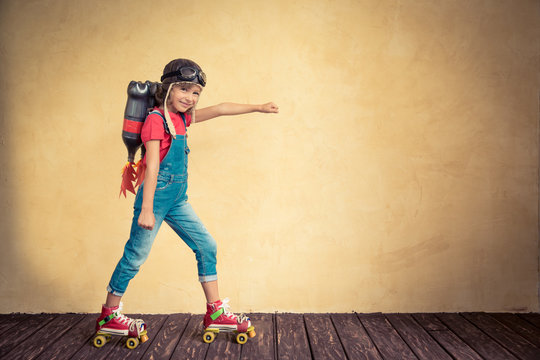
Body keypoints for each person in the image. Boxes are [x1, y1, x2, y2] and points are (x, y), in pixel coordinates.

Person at [95, 58, 279, 344]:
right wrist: (146, 209)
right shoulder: (156, 120)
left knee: (206, 245)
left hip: (178, 199)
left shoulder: (182, 118)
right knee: (136, 256)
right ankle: (109, 316)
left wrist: (257, 107)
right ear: (168, 88)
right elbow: (152, 165)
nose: (190, 97)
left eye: (195, 93)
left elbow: (219, 109)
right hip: (155, 199)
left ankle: (215, 312)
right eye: (184, 89)